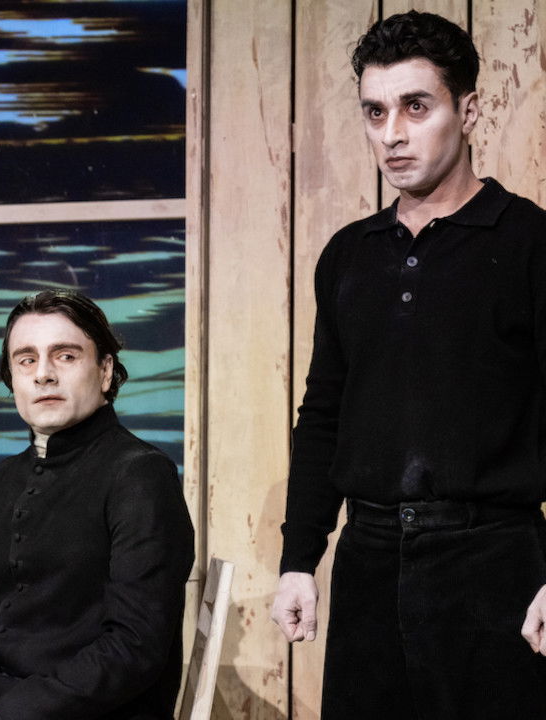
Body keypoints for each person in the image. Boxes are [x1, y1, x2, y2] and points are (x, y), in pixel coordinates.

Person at [270, 11, 546, 719]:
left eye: (415, 107)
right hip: (369, 557)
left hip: (496, 560)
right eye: (375, 111)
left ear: (469, 111)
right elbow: (324, 415)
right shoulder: (349, 255)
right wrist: (299, 559)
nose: (391, 133)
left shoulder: (528, 242)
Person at [0, 289, 194, 720]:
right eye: (26, 360)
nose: (43, 375)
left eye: (66, 356)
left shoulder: (141, 474)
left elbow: (135, 647)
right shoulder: (2, 480)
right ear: (12, 379)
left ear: (105, 371)